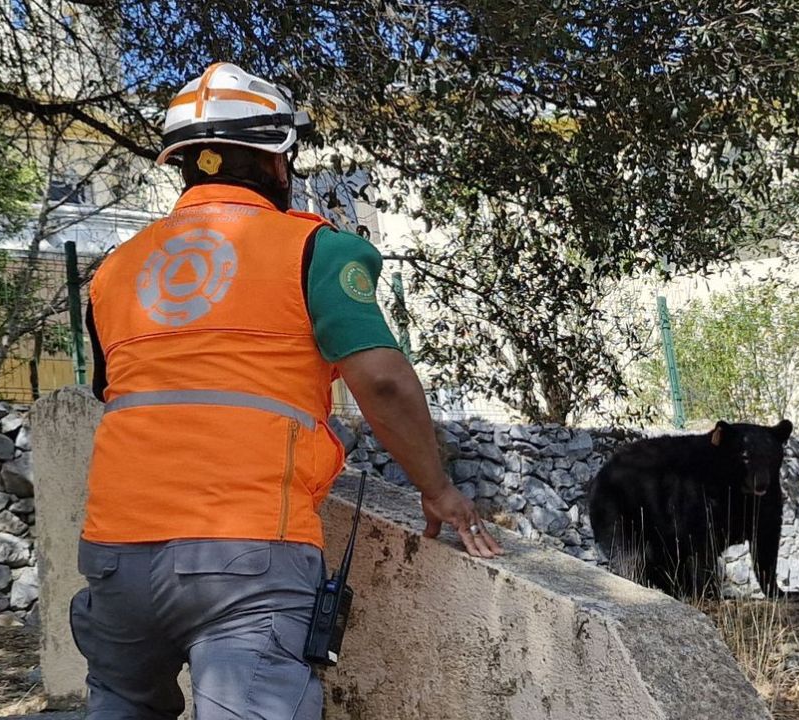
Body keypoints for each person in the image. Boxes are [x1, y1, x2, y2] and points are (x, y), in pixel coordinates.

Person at [71, 62, 503, 720]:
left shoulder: (114, 271)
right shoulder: (315, 250)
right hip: (249, 554)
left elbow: (127, 395)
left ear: (184, 165)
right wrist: (438, 488)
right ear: (278, 160)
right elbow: (382, 383)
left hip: (115, 556)